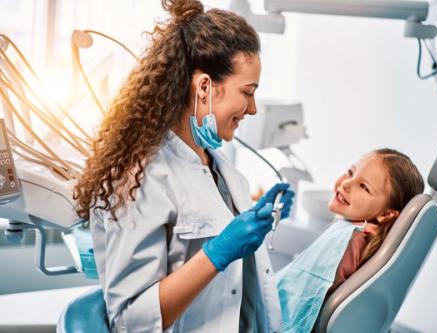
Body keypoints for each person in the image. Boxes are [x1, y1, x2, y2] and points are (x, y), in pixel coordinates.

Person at [73, 1, 294, 332]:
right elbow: (130, 320)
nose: (252, 109)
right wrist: (216, 253)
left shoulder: (219, 168)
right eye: (246, 93)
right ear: (205, 87)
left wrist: (264, 220)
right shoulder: (139, 177)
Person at [276, 148, 424, 333]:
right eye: (351, 172)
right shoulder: (350, 230)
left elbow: (313, 292)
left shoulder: (351, 239)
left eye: (364, 186)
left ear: (386, 214)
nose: (346, 183)